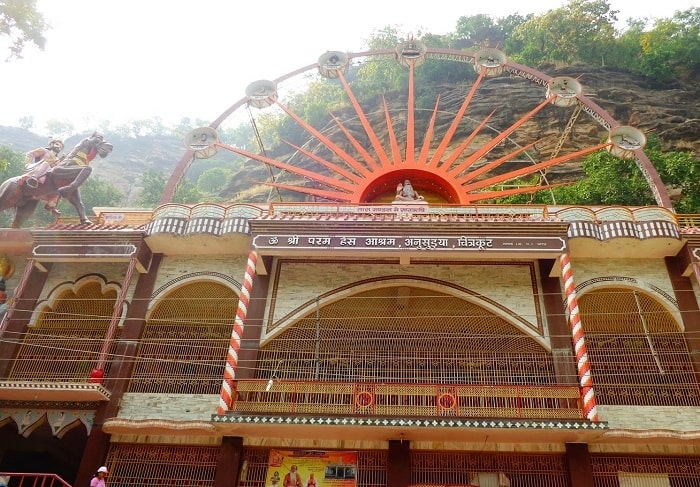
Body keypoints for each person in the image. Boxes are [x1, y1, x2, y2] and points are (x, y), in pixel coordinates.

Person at [52, 132, 113, 198]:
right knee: (87, 169)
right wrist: (96, 139)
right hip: (71, 163)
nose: (99, 140)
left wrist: (104, 146)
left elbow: (103, 154)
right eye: (98, 138)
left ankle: (69, 190)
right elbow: (88, 142)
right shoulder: (86, 141)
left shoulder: (95, 148)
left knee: (83, 176)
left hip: (79, 167)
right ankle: (70, 188)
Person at [22, 139, 64, 214]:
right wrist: (28, 163)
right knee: (46, 164)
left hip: (47, 176)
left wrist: (62, 161)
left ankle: (51, 205)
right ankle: (33, 179)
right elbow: (30, 154)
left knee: (59, 188)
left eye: (60, 147)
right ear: (52, 144)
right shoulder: (44, 150)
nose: (58, 147)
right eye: (57, 145)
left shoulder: (57, 159)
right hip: (37, 171)